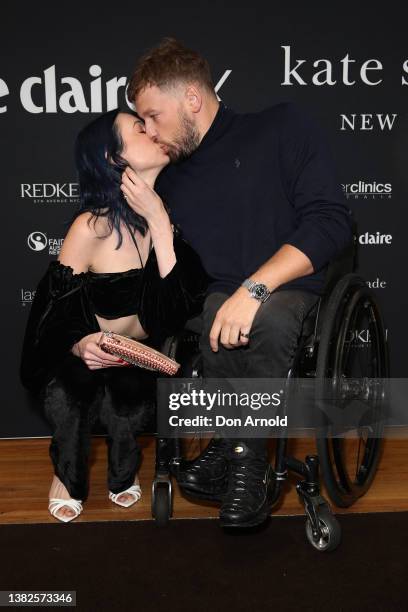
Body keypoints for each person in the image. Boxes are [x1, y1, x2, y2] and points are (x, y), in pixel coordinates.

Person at [123, 38, 354, 528]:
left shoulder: (281, 126)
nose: (148, 130)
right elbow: (171, 281)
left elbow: (330, 222)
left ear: (191, 98)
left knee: (258, 318)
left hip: (292, 287)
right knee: (212, 314)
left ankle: (245, 463)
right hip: (218, 301)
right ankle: (238, 448)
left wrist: (255, 289)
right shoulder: (171, 179)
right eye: (140, 123)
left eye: (152, 116)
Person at [20, 108, 208, 523]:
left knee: (131, 403)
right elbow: (51, 312)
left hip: (142, 354)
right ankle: (67, 477)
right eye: (140, 129)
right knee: (72, 393)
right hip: (83, 352)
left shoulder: (173, 218)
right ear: (113, 159)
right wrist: (81, 342)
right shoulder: (91, 227)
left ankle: (124, 473)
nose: (154, 130)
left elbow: (179, 308)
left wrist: (160, 222)